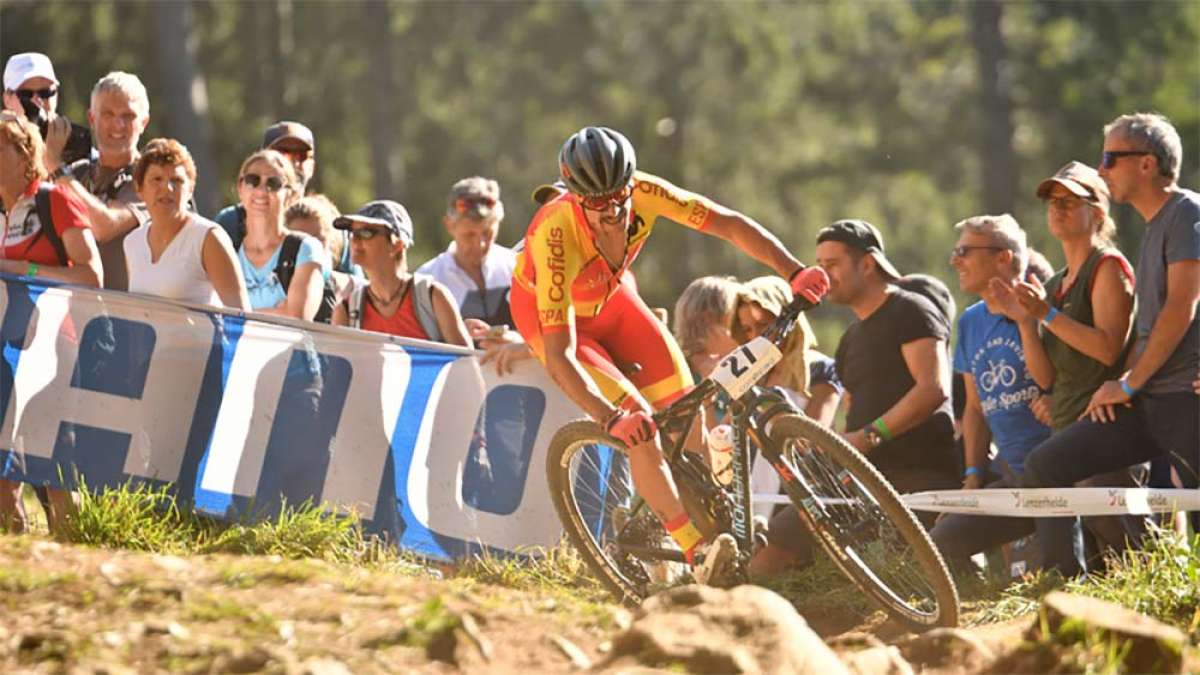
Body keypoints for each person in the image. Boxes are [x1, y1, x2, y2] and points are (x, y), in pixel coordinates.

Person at [511, 126, 824, 582]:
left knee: (685, 411)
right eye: (596, 203)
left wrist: (794, 271)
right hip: (558, 324)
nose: (612, 210)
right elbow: (560, 354)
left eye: (618, 194)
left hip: (611, 302)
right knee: (637, 424)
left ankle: (693, 520)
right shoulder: (555, 235)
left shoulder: (646, 191)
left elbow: (728, 224)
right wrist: (607, 417)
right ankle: (694, 552)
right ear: (576, 197)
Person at [1020, 114, 1200, 531]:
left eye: (1110, 158)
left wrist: (1128, 383)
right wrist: (1121, 385)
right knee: (1045, 466)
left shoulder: (1187, 211)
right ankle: (1056, 586)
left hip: (1185, 400)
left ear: (1147, 164)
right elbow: (1150, 327)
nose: (1101, 170)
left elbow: (1181, 308)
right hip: (1149, 401)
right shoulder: (1155, 226)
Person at [751, 219, 958, 576]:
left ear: (867, 263)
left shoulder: (912, 310)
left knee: (909, 576)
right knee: (770, 553)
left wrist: (868, 437)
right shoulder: (850, 338)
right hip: (861, 477)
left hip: (919, 473)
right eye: (819, 266)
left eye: (832, 265)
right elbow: (853, 410)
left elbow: (933, 388)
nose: (824, 275)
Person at [928, 214, 1083, 577]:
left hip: (1063, 468)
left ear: (1003, 258)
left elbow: (1053, 382)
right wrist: (972, 475)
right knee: (940, 544)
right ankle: (980, 601)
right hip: (1013, 474)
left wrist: (1027, 323)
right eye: (955, 252)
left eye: (965, 251)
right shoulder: (969, 321)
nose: (955, 261)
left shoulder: (1047, 302)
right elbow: (975, 409)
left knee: (1060, 574)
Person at [0, 111, 103, 533]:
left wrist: (21, 269)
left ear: (26, 154)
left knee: (53, 464)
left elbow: (91, 274)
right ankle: (19, 563)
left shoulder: (53, 199)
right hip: (5, 347)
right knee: (3, 472)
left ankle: (77, 556)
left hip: (52, 347)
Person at [50, 72, 155, 291]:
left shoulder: (152, 177)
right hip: (74, 315)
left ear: (144, 123)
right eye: (107, 114)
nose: (118, 125)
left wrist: (57, 170)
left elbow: (104, 227)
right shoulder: (78, 173)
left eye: (128, 116)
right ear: (91, 118)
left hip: (131, 318)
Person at [124, 138, 248, 309]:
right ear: (139, 188)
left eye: (177, 180)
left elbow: (241, 316)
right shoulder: (132, 242)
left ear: (190, 189)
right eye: (156, 179)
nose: (167, 188)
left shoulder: (208, 238)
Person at [331, 200, 471, 347]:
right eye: (352, 233)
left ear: (397, 245)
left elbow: (465, 364)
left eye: (366, 233)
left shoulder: (433, 297)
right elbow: (339, 369)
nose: (355, 240)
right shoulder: (347, 310)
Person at [233, 149, 332, 320]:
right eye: (253, 180)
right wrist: (277, 311)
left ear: (290, 195)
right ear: (240, 188)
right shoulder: (228, 251)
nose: (262, 190)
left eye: (274, 183)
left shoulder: (306, 249)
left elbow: (297, 318)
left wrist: (238, 317)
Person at [417, 176, 517, 330]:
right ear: (449, 226)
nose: (480, 244)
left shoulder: (516, 266)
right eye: (469, 235)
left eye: (487, 233)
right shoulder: (429, 278)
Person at [285, 194, 356, 301]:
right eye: (300, 243)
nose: (309, 251)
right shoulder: (269, 291)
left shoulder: (355, 293)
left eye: (317, 242)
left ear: (331, 243)